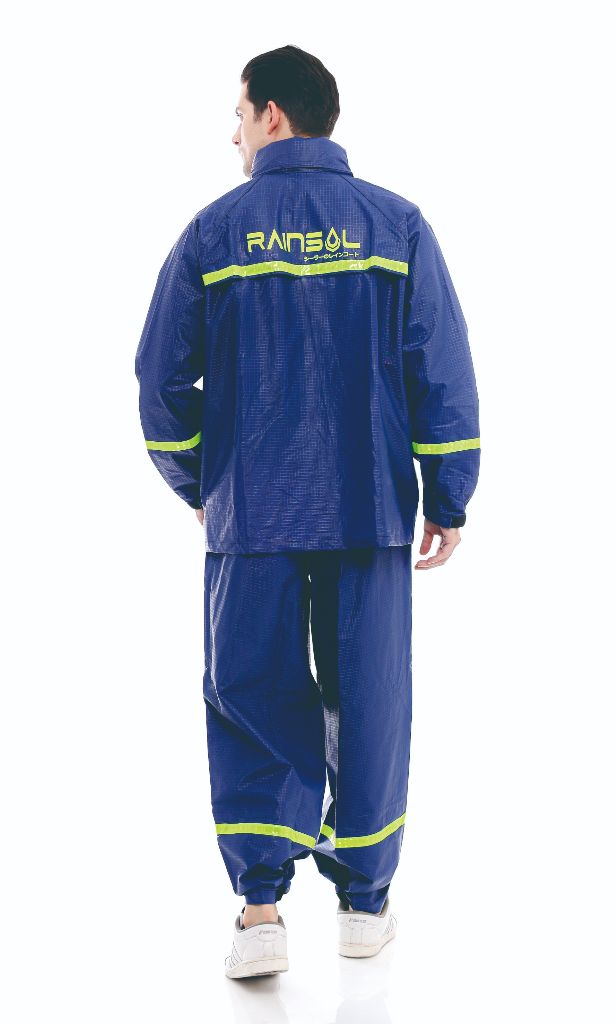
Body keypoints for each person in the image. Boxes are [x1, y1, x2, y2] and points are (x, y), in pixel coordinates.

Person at [134, 44, 480, 979]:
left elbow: (158, 379)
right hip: (369, 510)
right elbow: (441, 367)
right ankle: (364, 906)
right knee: (370, 701)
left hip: (255, 513)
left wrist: (200, 479)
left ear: (274, 116)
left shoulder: (215, 232)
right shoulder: (397, 225)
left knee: (252, 693)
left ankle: (260, 913)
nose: (234, 134)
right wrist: (449, 492)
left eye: (239, 115)